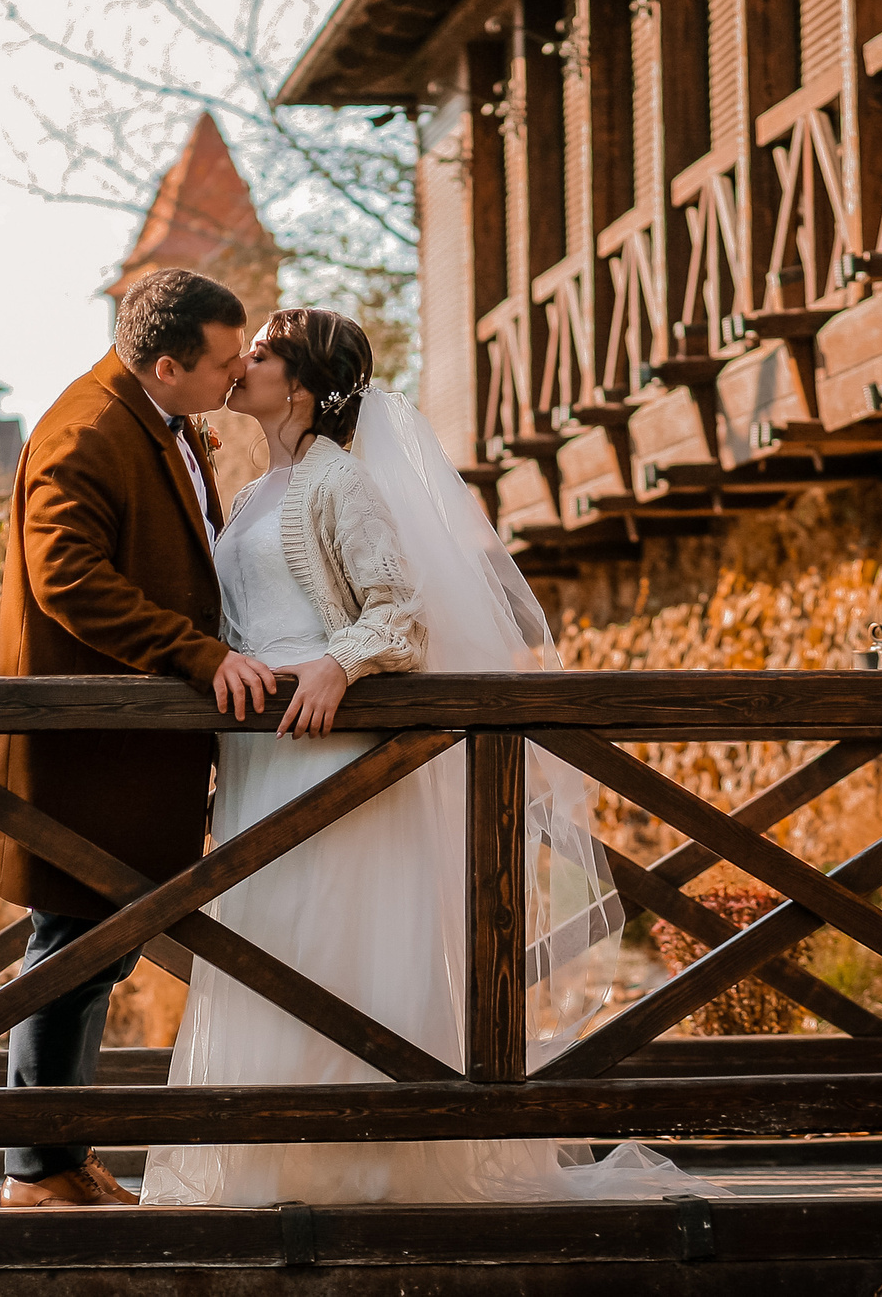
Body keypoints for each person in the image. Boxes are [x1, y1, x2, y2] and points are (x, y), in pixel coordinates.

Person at [139, 308, 716, 1208]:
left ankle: (366, 1163)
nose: (240, 363)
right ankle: (268, 1154)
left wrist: (339, 661)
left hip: (334, 758)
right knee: (271, 941)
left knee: (336, 938)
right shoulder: (253, 493)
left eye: (259, 354)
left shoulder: (341, 482)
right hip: (262, 759)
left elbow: (401, 614)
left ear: (298, 384)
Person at [0, 267, 280, 1209]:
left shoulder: (162, 416)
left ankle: (60, 1156)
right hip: (84, 749)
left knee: (96, 946)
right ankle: (36, 1169)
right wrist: (196, 654)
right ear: (165, 362)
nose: (237, 375)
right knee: (70, 943)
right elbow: (66, 576)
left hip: (128, 751)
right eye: (225, 360)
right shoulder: (88, 428)